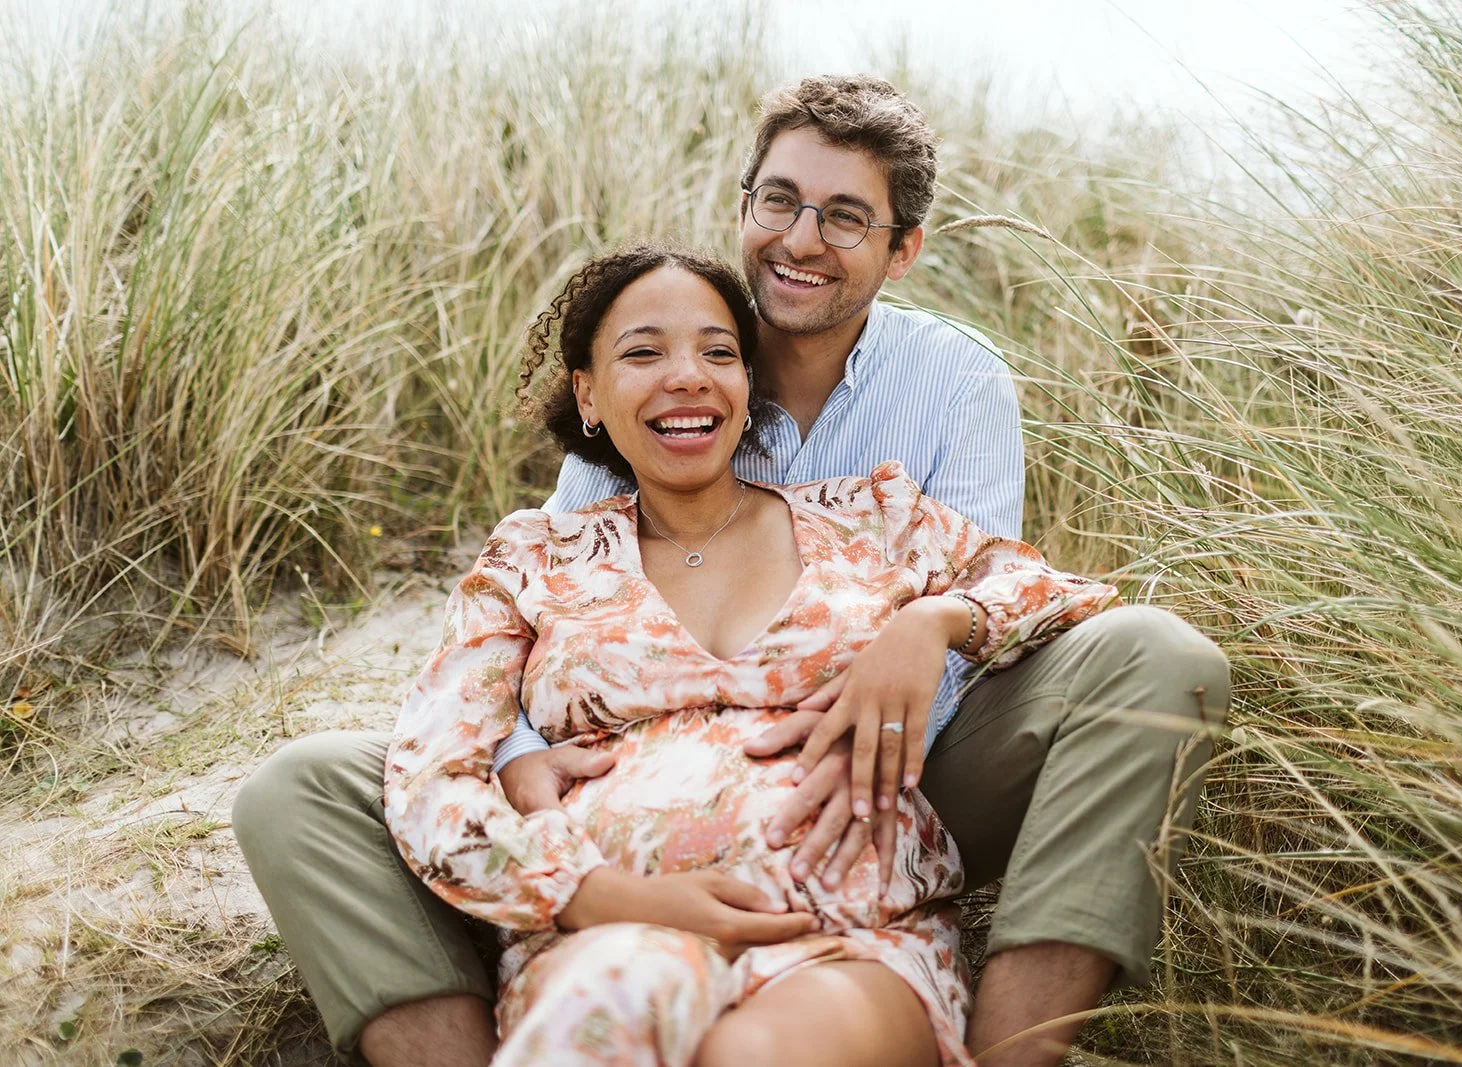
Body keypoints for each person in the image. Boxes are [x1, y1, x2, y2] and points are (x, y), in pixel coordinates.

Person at [233, 75, 1230, 1067]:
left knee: (1155, 654)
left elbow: (1031, 588)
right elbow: (486, 702)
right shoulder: (547, 544)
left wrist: (930, 626)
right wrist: (532, 775)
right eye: (780, 201)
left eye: (844, 217)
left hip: (879, 818)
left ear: (901, 247)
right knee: (315, 794)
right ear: (589, 394)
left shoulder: (891, 480)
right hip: (616, 907)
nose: (799, 239)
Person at [389, 242, 1125, 1066]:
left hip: (845, 932)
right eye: (644, 352)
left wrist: (934, 623)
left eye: (718, 352)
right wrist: (592, 894)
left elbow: (1060, 591)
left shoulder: (870, 515)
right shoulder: (533, 556)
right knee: (599, 1018)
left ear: (748, 391)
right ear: (589, 395)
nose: (689, 375)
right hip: (617, 932)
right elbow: (430, 775)